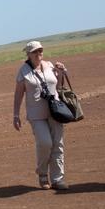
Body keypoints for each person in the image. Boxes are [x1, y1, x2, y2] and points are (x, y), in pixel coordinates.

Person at [13, 41, 69, 190]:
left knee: (58, 144)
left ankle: (57, 179)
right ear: (28, 54)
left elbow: (58, 86)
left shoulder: (49, 65)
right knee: (45, 143)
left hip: (55, 111)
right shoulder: (24, 71)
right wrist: (16, 115)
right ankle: (42, 174)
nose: (38, 54)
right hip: (36, 114)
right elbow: (18, 94)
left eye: (40, 51)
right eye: (35, 52)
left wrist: (61, 73)